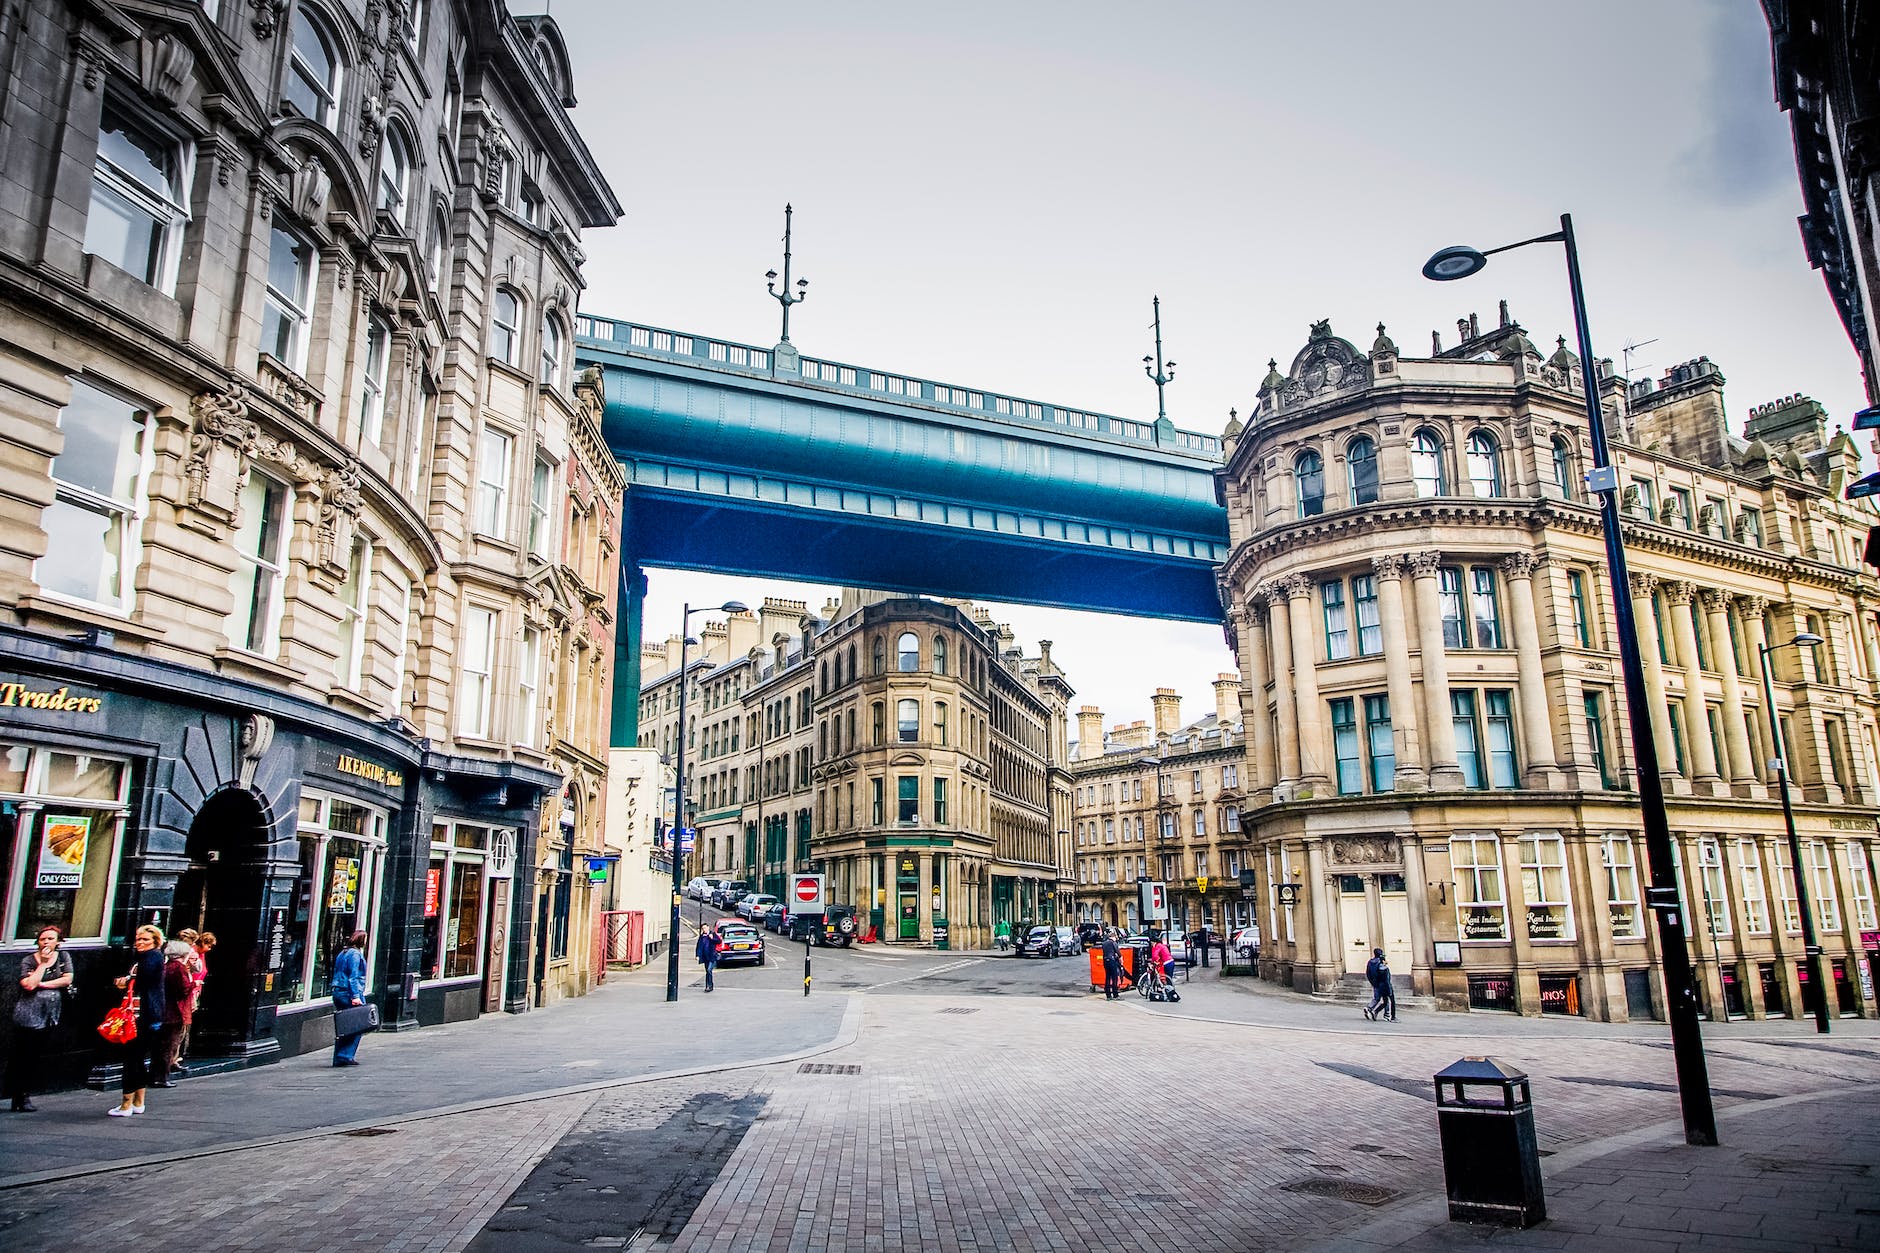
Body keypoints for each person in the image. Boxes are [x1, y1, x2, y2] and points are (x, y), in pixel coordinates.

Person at [7, 925, 72, 1112]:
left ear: (58, 942)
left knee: (36, 1054)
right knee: (23, 1054)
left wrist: (42, 983)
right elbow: (28, 985)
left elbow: (67, 979)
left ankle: (23, 1093)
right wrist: (42, 964)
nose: (46, 942)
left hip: (50, 1012)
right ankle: (19, 1095)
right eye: (43, 939)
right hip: (29, 1012)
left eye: (51, 939)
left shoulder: (63, 957)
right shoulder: (29, 960)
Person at [109, 924, 168, 1116]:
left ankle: (126, 1103)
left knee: (132, 1058)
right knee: (139, 1058)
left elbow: (144, 979)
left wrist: (126, 980)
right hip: (144, 1013)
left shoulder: (152, 957)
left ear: (155, 941)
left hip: (141, 1015)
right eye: (138, 939)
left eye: (145, 940)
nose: (140, 943)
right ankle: (138, 1101)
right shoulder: (148, 957)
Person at [153, 936, 194, 1088]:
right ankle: (162, 1077)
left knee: (161, 1046)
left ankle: (156, 1075)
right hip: (174, 1012)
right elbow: (183, 989)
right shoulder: (179, 968)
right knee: (168, 1045)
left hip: (164, 1010)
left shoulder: (167, 966)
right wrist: (193, 983)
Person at [331, 930, 368, 1067]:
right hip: (349, 992)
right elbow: (353, 977)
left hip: (338, 991)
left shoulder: (343, 953)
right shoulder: (355, 954)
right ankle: (345, 1055)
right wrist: (356, 996)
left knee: (344, 1026)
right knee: (358, 1024)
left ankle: (339, 1057)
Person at [1364, 947, 1396, 1022]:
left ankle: (1370, 1009)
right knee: (1386, 1001)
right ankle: (1386, 1015)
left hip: (1375, 983)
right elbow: (1385, 977)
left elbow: (1368, 973)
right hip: (1383, 984)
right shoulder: (1381, 964)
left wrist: (1372, 982)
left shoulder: (1370, 962)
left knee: (1377, 998)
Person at [695, 922, 721, 992]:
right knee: (707, 971)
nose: (704, 930)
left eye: (705, 928)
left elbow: (719, 941)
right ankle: (709, 986)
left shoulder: (712, 934)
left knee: (709, 970)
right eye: (703, 928)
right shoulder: (702, 936)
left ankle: (709, 986)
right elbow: (699, 946)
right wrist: (697, 955)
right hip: (705, 957)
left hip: (712, 956)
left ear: (708, 927)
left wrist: (712, 938)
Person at [1099, 928, 1124, 1000]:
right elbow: (1118, 953)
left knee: (1107, 978)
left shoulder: (1104, 943)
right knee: (1114, 978)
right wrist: (1121, 960)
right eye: (1115, 937)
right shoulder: (1113, 943)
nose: (1116, 939)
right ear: (1113, 937)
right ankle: (1115, 995)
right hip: (1112, 961)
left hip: (1105, 961)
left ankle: (1108, 995)